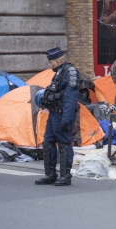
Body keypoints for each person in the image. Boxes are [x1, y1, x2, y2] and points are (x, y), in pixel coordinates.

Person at [35, 48, 79, 187]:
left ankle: (65, 175)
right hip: (53, 113)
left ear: (58, 61)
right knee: (48, 142)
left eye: (51, 62)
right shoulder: (58, 73)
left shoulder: (70, 72)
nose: (50, 65)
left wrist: (66, 118)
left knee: (64, 143)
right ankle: (50, 174)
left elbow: (70, 99)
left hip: (62, 114)